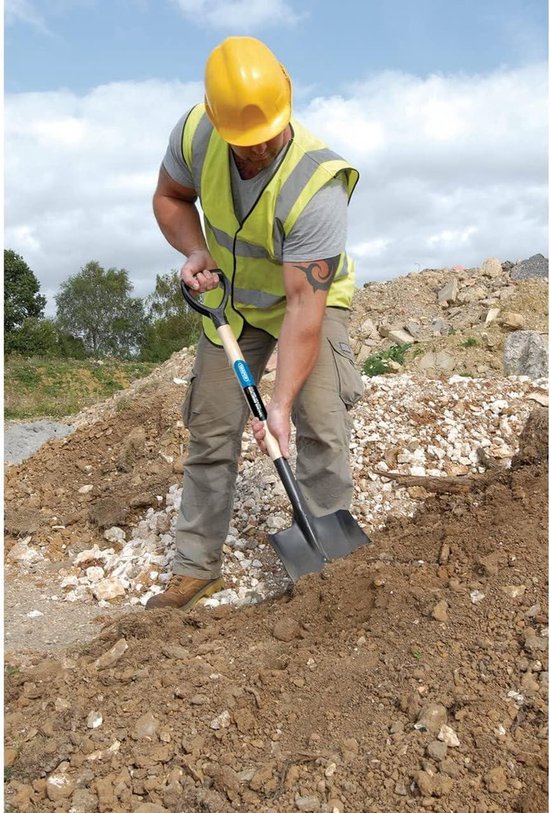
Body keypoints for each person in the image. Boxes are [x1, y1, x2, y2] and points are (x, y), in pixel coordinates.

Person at [147, 35, 364, 610]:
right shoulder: (195, 134)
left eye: (266, 136)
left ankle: (330, 573)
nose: (257, 150)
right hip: (231, 309)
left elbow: (303, 308)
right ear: (216, 120)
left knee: (320, 423)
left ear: (286, 103)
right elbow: (170, 198)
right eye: (242, 143)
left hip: (306, 307)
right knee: (211, 430)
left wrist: (281, 407)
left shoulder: (319, 184)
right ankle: (195, 567)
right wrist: (195, 251)